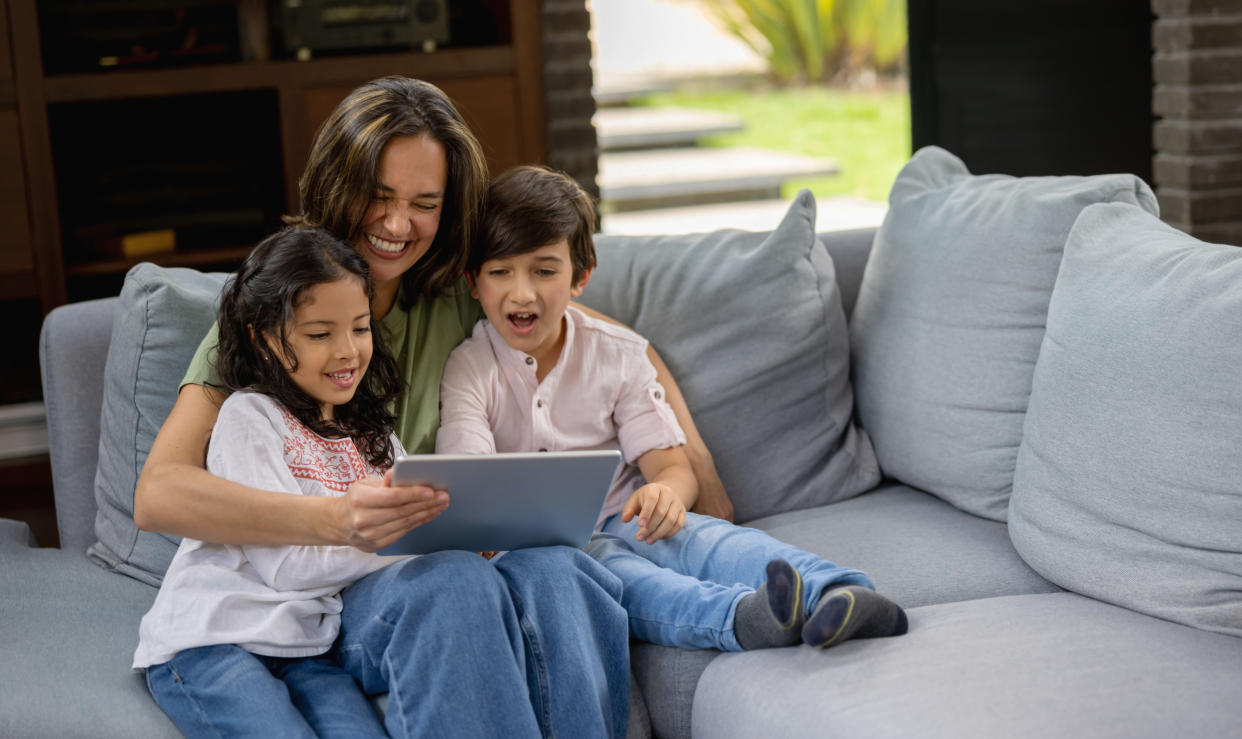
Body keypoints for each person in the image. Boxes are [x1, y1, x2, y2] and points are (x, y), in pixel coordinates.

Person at [133, 78, 638, 737]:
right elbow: (160, 492)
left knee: (557, 568)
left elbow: (600, 336)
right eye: (378, 197)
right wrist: (336, 518)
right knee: (453, 583)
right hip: (330, 591)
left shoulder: (454, 297)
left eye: (424, 203)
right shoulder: (273, 323)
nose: (399, 225)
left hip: (410, 566)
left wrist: (689, 462)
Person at [437, 165, 910, 652]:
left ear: (580, 276)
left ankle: (836, 590)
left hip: (628, 516)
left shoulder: (618, 354)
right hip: (550, 554)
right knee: (631, 584)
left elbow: (671, 466)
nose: (522, 292)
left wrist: (666, 493)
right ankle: (746, 619)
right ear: (474, 283)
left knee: (706, 540)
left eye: (544, 270)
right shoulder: (470, 370)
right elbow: (471, 477)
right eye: (500, 273)